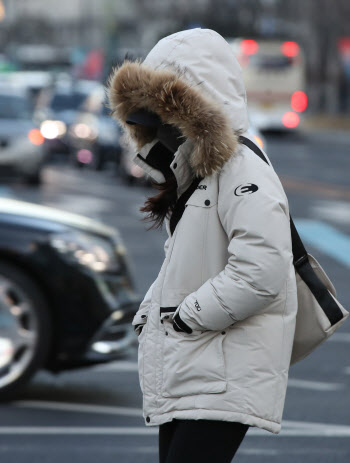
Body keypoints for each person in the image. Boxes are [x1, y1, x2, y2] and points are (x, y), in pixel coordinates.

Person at [107, 28, 298, 463]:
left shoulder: (240, 167)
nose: (153, 126)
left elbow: (261, 270)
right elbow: (192, 265)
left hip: (221, 369)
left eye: (161, 109)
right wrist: (150, 313)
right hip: (200, 364)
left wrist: (185, 317)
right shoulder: (200, 173)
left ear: (194, 105)